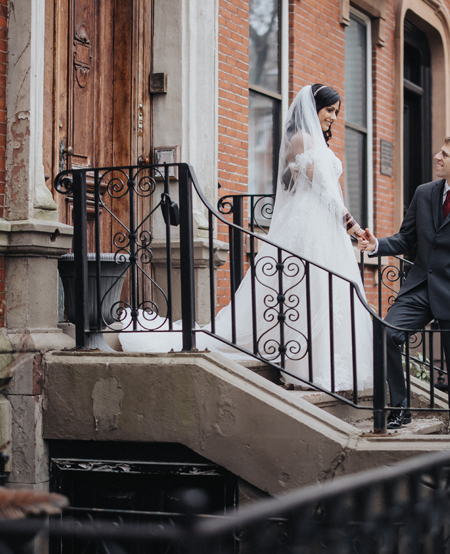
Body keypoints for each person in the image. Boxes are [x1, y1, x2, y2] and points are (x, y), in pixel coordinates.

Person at [123, 84, 374, 394]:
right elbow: (323, 190)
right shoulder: (302, 140)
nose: (334, 117)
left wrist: (350, 229)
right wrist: (353, 227)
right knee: (305, 290)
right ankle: (302, 365)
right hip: (309, 223)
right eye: (329, 110)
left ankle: (326, 365)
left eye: (337, 112)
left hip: (323, 226)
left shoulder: (317, 142)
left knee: (325, 292)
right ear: (313, 108)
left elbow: (328, 192)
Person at [357, 135, 450, 433]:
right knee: (386, 333)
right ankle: (400, 407)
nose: (437, 156)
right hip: (420, 288)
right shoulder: (424, 193)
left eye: (444, 154)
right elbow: (406, 238)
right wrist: (375, 245)